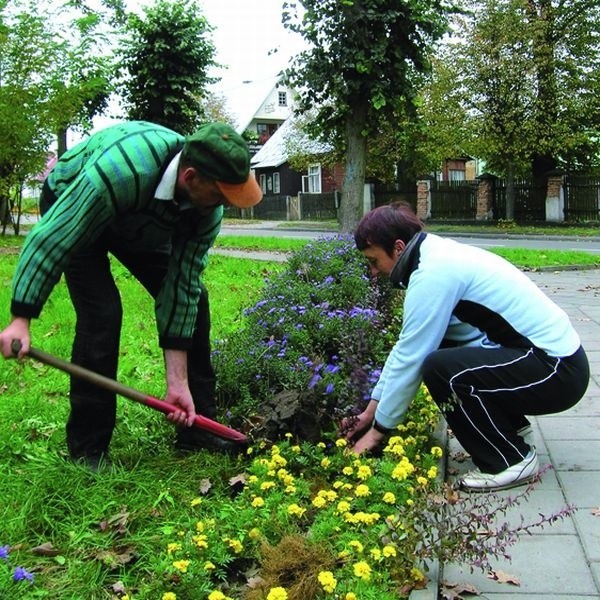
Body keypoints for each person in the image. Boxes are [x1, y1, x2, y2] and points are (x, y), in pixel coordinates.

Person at [0, 120, 263, 469]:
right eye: (220, 194)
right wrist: (21, 319)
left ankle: (197, 427)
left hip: (141, 220)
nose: (224, 205)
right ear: (190, 177)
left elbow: (181, 286)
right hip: (75, 201)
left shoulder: (205, 210)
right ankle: (88, 449)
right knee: (102, 315)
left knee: (195, 302)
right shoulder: (121, 171)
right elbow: (53, 237)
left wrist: (177, 382)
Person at [342, 203, 590, 491]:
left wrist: (376, 434)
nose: (373, 272)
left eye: (374, 261)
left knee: (440, 368)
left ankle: (510, 460)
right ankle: (510, 431)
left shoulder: (433, 272)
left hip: (557, 372)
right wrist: (370, 413)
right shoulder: (435, 255)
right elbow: (405, 348)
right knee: (443, 350)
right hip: (554, 363)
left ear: (398, 247)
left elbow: (412, 358)